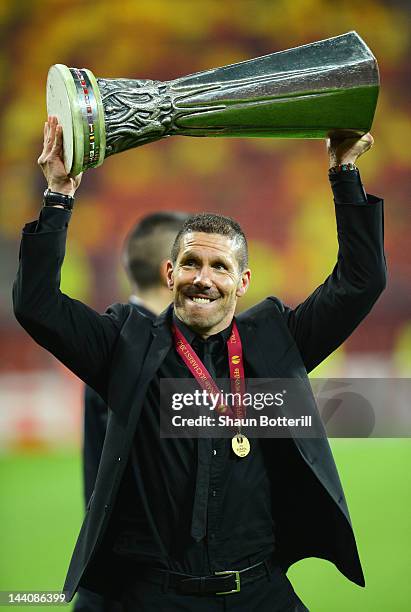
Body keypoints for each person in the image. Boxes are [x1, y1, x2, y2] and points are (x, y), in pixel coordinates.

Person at [13, 116, 386, 611]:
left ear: (243, 281)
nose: (203, 278)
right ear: (170, 273)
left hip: (257, 593)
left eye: (220, 267)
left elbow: (360, 282)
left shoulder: (277, 341)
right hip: (152, 597)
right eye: (191, 263)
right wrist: (58, 194)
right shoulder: (125, 344)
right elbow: (36, 304)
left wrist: (344, 173)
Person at [75, 211, 188, 612]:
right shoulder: (139, 348)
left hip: (113, 579)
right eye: (194, 261)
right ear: (171, 271)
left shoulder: (121, 340)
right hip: (133, 590)